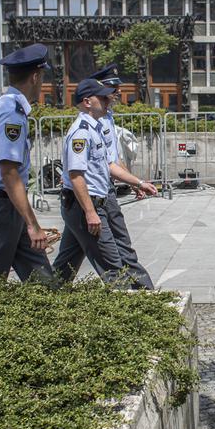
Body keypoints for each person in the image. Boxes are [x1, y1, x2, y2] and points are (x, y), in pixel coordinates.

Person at [0, 44, 55, 283]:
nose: (42, 83)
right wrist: (33, 224)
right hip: (0, 208)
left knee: (43, 281)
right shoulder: (11, 114)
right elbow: (9, 172)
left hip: (4, 205)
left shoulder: (1, 105)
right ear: (35, 76)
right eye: (42, 77)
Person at [51, 78, 144, 287]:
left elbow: (109, 165)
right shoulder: (81, 132)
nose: (108, 100)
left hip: (91, 204)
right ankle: (131, 314)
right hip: (86, 206)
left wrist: (138, 183)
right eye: (102, 97)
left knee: (66, 265)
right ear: (87, 102)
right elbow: (76, 175)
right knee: (113, 267)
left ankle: (45, 300)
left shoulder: (96, 129)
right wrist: (90, 212)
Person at [83, 63, 158, 289]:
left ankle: (52, 289)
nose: (115, 94)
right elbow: (79, 172)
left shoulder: (106, 117)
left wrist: (133, 181)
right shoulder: (87, 126)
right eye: (110, 90)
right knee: (113, 255)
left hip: (104, 192)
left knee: (73, 253)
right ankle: (142, 292)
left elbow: (114, 158)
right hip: (90, 197)